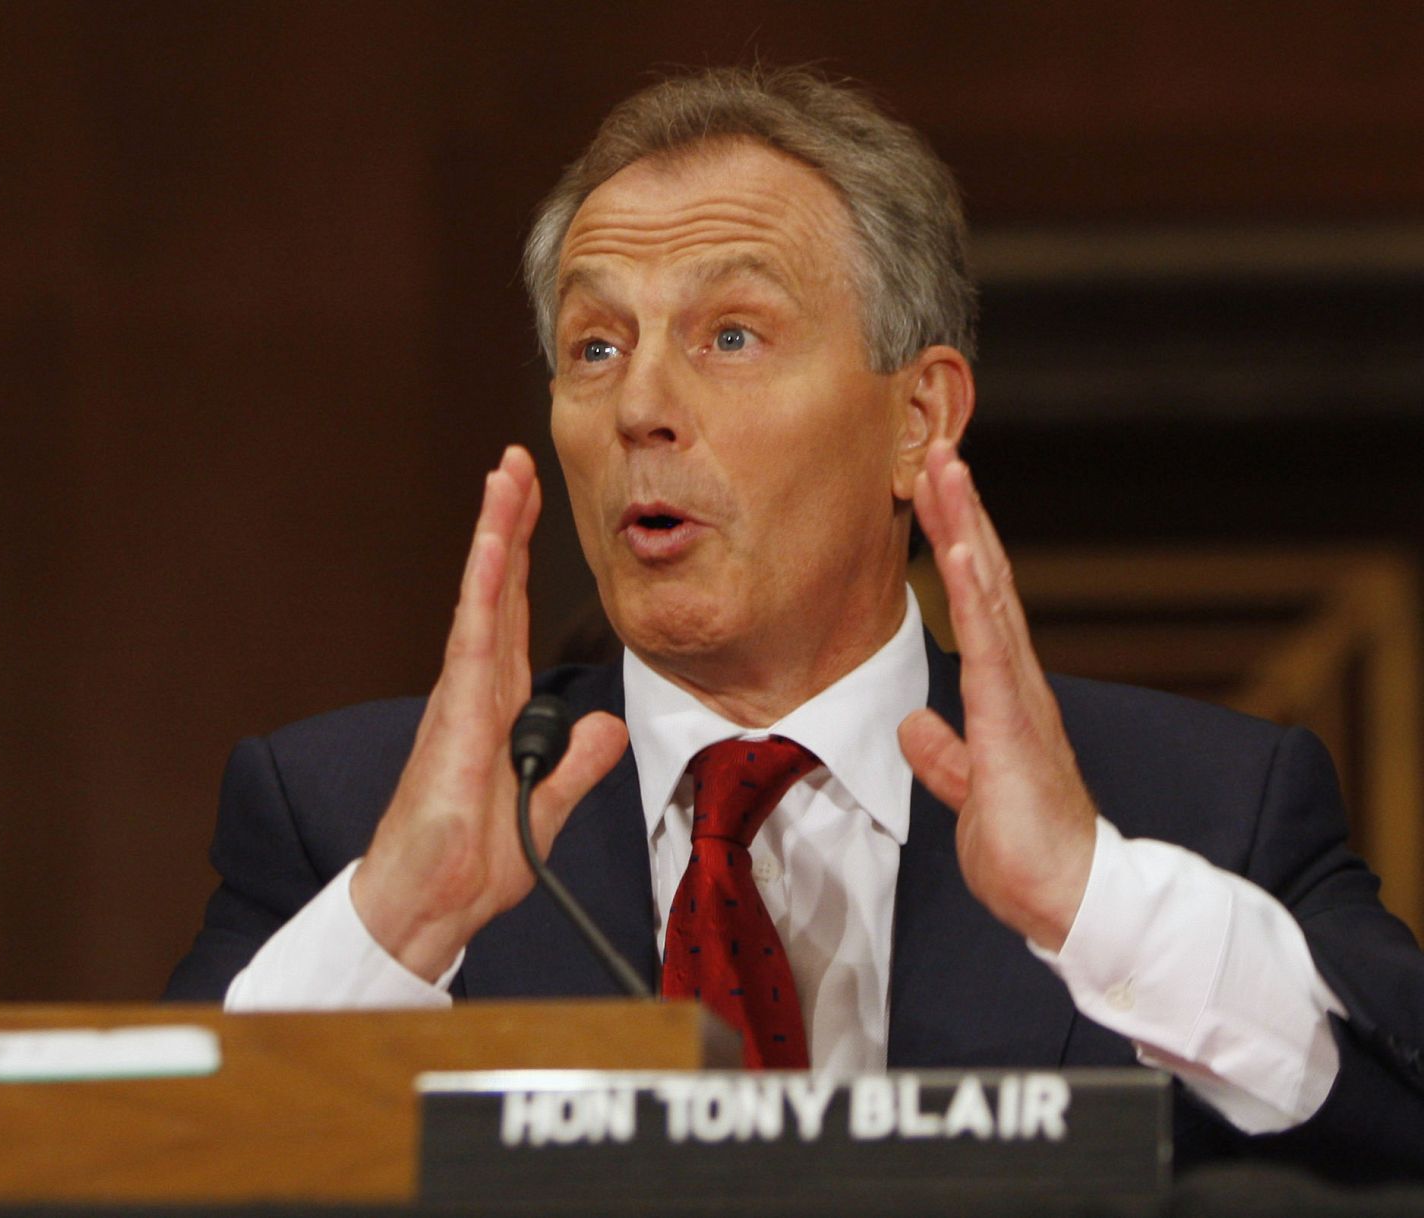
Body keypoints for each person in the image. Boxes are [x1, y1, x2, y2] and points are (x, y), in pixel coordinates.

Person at [167, 66, 1424, 1176]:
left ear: (918, 417)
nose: (641, 407)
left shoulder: (1202, 809)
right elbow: (128, 1172)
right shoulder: (346, 819)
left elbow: (1395, 1123)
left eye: (730, 333)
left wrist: (1094, 903)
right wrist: (402, 920)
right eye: (594, 347)